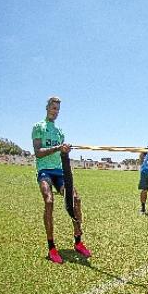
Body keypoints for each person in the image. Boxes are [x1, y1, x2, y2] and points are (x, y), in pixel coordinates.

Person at [32, 96, 91, 264]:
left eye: (57, 109)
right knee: (49, 202)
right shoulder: (38, 127)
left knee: (76, 200)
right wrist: (58, 147)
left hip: (60, 172)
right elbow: (38, 152)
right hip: (45, 171)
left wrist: (65, 150)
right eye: (53, 108)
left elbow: (62, 153)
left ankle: (78, 242)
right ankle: (52, 248)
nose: (55, 111)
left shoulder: (60, 132)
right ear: (47, 108)